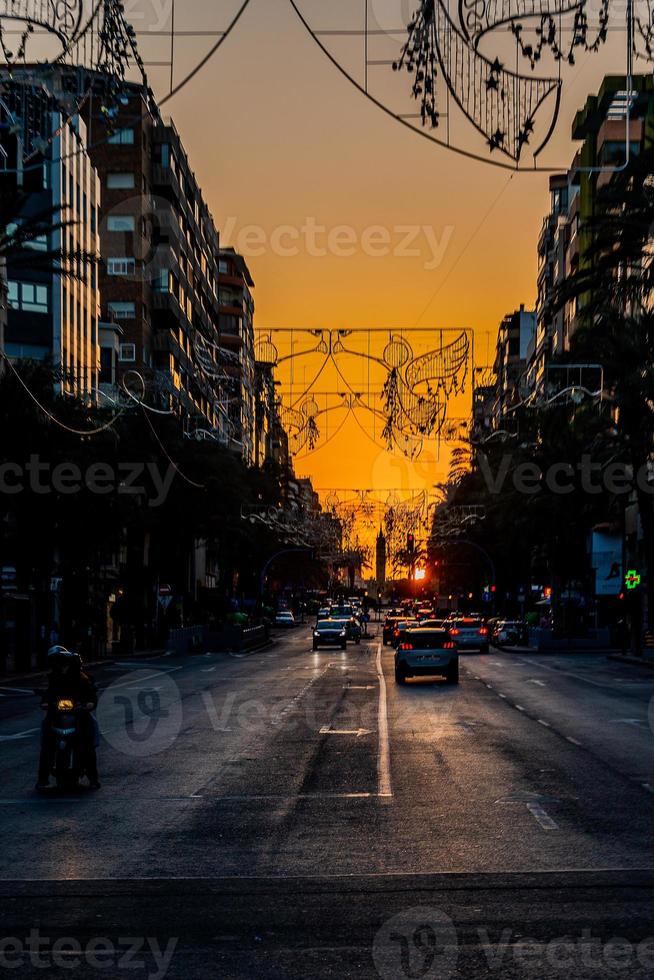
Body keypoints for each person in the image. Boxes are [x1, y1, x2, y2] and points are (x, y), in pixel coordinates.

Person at [36, 646, 100, 791]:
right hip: (56, 714)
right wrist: (45, 702)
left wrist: (90, 703)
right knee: (47, 744)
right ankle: (42, 779)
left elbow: (90, 694)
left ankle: (93, 778)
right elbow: (48, 693)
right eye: (58, 663)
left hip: (79, 714)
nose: (62, 666)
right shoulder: (54, 678)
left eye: (64, 663)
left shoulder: (82, 678)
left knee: (88, 742)